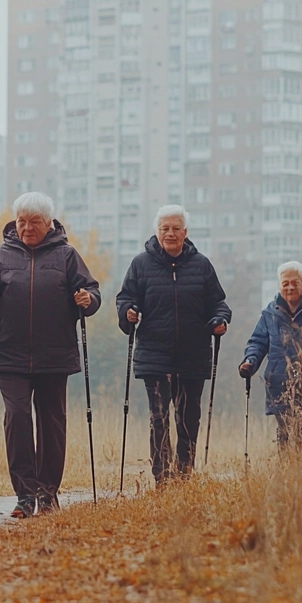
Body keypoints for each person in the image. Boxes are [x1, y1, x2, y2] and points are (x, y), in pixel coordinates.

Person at [0, 192, 101, 518]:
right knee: (18, 418)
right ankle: (25, 495)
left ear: (48, 223)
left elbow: (91, 291)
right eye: (22, 221)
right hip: (9, 355)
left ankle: (48, 494)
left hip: (54, 354)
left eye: (34, 222)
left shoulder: (67, 256)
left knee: (52, 423)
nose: (26, 228)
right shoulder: (1, 254)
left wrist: (87, 299)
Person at [116, 205, 230, 485]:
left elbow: (218, 303)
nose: (170, 233)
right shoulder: (141, 264)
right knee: (159, 419)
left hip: (193, 356)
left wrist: (219, 319)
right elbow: (125, 298)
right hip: (155, 356)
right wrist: (128, 312)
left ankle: (184, 474)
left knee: (189, 420)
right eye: (165, 228)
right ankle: (162, 477)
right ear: (157, 231)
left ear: (185, 232)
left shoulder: (201, 264)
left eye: (176, 228)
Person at [238, 261, 302, 445]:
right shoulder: (269, 315)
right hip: (280, 385)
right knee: (286, 437)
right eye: (285, 283)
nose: (290, 287)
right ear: (279, 285)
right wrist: (250, 361)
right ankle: (288, 472)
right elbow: (258, 343)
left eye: (295, 282)